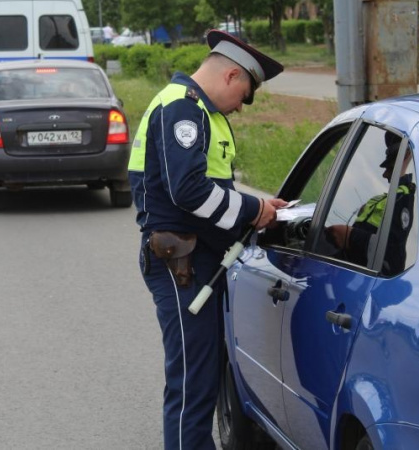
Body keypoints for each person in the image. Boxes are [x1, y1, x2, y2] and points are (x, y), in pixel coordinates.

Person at [127, 29, 287, 449]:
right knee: (191, 383)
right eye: (245, 94)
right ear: (233, 75)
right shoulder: (183, 107)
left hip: (196, 262)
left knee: (203, 372)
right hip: (180, 264)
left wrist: (261, 207)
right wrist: (254, 211)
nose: (242, 106)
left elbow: (214, 191)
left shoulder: (202, 112)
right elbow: (189, 191)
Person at [325, 132, 416, 276]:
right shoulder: (379, 199)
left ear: (405, 158)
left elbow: (391, 253)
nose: (384, 175)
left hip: (365, 280)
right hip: (346, 270)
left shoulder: (403, 198)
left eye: (390, 168)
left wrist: (350, 236)